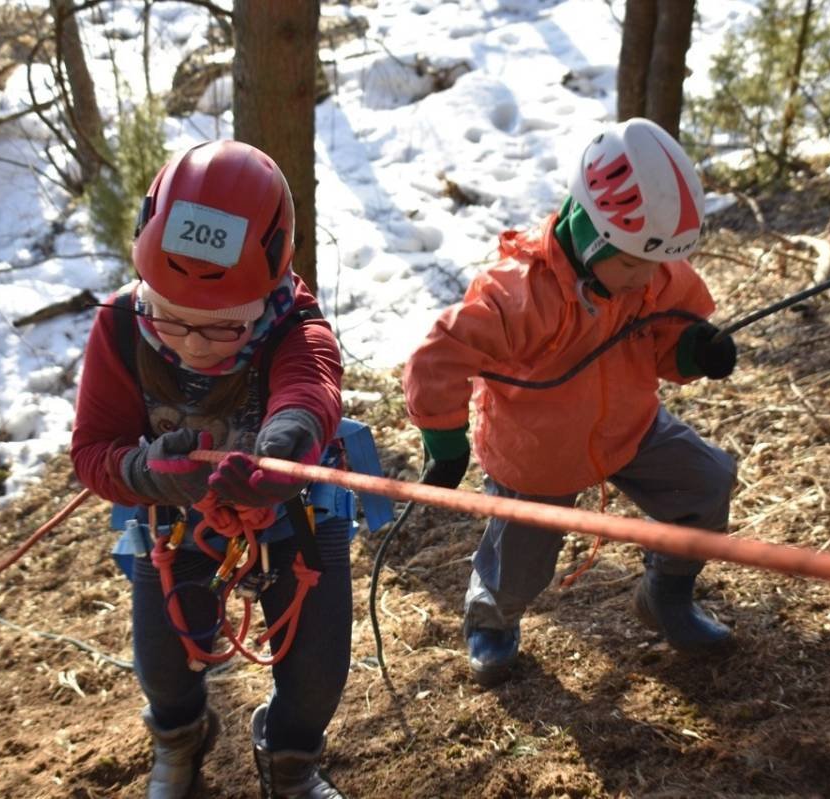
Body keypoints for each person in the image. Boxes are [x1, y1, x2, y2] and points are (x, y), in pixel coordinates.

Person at [402, 118, 739, 688]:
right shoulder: (519, 295)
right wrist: (444, 438)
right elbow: (441, 355)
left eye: (656, 266)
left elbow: (668, 341)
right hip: (538, 454)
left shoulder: (650, 275)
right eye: (634, 264)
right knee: (520, 562)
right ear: (591, 235)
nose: (647, 280)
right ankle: (493, 617)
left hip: (630, 428)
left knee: (705, 486)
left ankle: (667, 595)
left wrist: (693, 352)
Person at [71, 140, 349, 798]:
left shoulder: (294, 325)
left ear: (273, 284)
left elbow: (309, 393)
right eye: (168, 317)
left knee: (317, 672)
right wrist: (151, 472)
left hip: (293, 514)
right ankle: (179, 735)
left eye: (223, 327)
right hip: (174, 521)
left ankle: (291, 758)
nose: (192, 343)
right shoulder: (120, 330)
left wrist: (282, 454)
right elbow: (93, 451)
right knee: (162, 666)